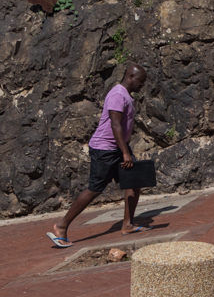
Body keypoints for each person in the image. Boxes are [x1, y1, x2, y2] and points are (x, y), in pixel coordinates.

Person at [46, 63, 149, 248]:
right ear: (130, 77)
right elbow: (115, 125)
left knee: (134, 182)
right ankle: (61, 226)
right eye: (140, 81)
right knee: (95, 189)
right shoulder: (118, 94)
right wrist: (125, 152)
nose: (142, 85)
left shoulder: (126, 95)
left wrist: (124, 149)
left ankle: (127, 224)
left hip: (118, 148)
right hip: (105, 149)